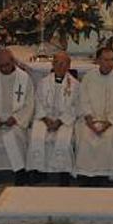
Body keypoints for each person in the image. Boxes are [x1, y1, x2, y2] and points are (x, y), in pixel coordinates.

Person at [74, 48, 113, 184]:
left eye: (112, 60)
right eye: (106, 60)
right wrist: (89, 120)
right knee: (85, 136)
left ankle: (107, 174)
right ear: (98, 61)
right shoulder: (89, 77)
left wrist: (108, 122)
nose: (109, 63)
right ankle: (86, 174)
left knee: (109, 138)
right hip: (90, 120)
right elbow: (83, 99)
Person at [0, 48, 33, 186]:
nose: (4, 68)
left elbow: (29, 104)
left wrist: (16, 119)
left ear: (13, 61)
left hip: (15, 119)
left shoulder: (24, 78)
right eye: (1, 65)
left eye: (7, 65)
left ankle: (19, 171)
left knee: (14, 135)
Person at [27, 51, 78, 185]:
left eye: (63, 64)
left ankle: (63, 174)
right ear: (52, 64)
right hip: (45, 118)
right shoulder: (43, 82)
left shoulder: (75, 85)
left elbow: (75, 107)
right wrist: (45, 119)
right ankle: (38, 172)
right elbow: (37, 101)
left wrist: (60, 121)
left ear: (69, 65)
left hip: (64, 121)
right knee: (37, 137)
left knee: (63, 140)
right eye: (57, 63)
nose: (60, 66)